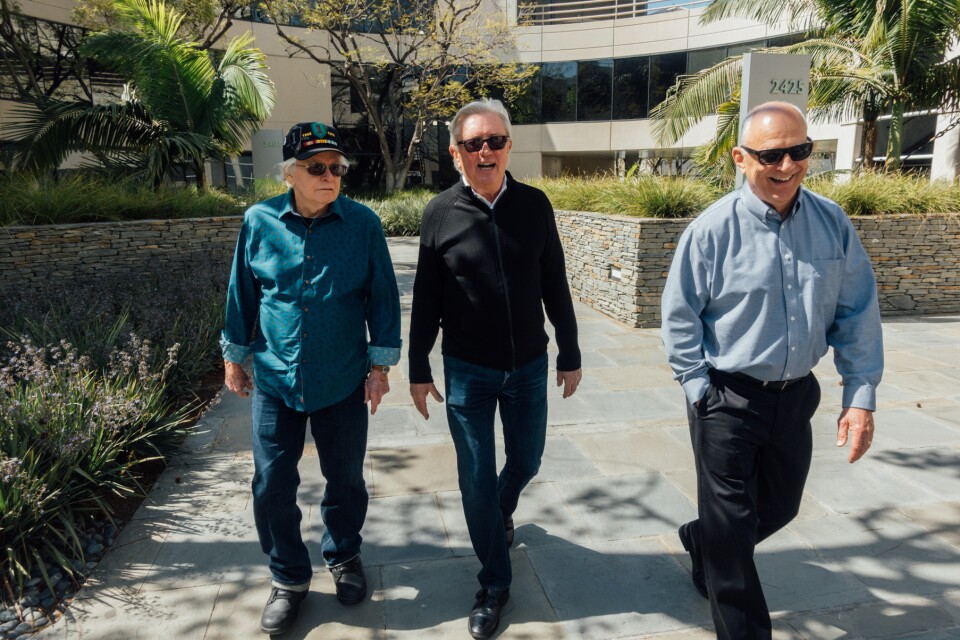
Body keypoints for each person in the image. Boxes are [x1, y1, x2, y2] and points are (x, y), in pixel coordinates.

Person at [661, 101, 883, 640]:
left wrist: (860, 394)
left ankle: (702, 537)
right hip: (726, 401)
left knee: (780, 506)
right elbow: (679, 317)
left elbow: (857, 311)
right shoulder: (710, 231)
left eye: (799, 152)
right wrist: (699, 389)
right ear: (741, 158)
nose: (787, 166)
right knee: (735, 544)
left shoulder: (832, 224)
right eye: (771, 155)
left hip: (795, 397)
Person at [407, 99, 583, 640]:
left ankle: (502, 512)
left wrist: (570, 350)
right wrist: (417, 366)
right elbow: (427, 296)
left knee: (526, 459)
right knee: (475, 478)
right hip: (468, 371)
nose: (486, 151)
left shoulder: (535, 204)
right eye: (474, 143)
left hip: (529, 365)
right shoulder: (440, 213)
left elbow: (555, 280)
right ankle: (494, 583)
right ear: (457, 152)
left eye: (496, 141)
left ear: (508, 147)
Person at [220, 121, 401, 635]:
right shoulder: (259, 221)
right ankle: (289, 577)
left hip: (342, 377)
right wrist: (234, 357)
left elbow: (383, 299)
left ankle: (343, 555)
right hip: (276, 378)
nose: (329, 175)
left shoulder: (363, 224)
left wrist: (380, 368)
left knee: (345, 479)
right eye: (317, 167)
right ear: (290, 173)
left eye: (336, 167)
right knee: (272, 482)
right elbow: (242, 294)